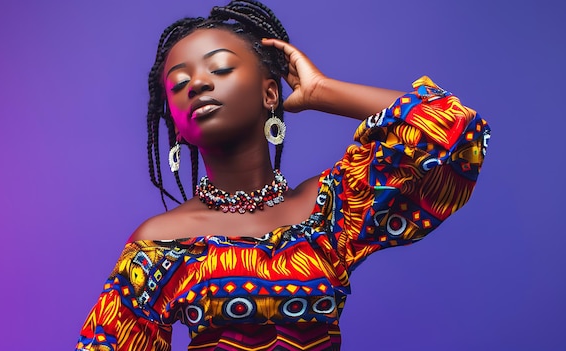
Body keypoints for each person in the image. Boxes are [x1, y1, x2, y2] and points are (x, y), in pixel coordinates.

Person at [75, 1, 490, 350]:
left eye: (219, 69)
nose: (198, 85)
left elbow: (452, 128)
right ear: (176, 124)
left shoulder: (328, 210)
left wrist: (323, 91)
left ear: (270, 93)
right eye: (179, 83)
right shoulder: (161, 241)